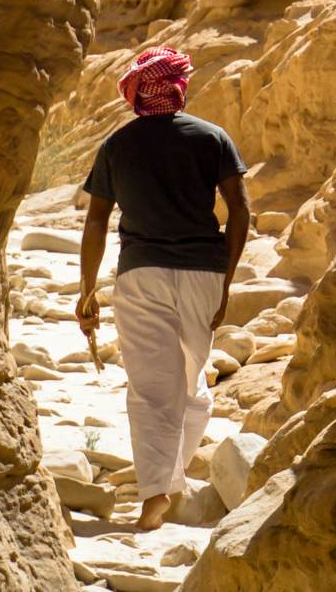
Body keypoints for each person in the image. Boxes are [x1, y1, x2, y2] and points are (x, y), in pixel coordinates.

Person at [75, 47, 248, 531]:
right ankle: (165, 486)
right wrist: (228, 280)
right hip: (203, 274)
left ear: (136, 94)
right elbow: (239, 209)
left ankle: (159, 491)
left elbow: (96, 220)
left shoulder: (117, 145)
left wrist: (88, 291)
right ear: (179, 88)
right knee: (193, 385)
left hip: (141, 274)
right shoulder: (213, 138)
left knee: (152, 388)